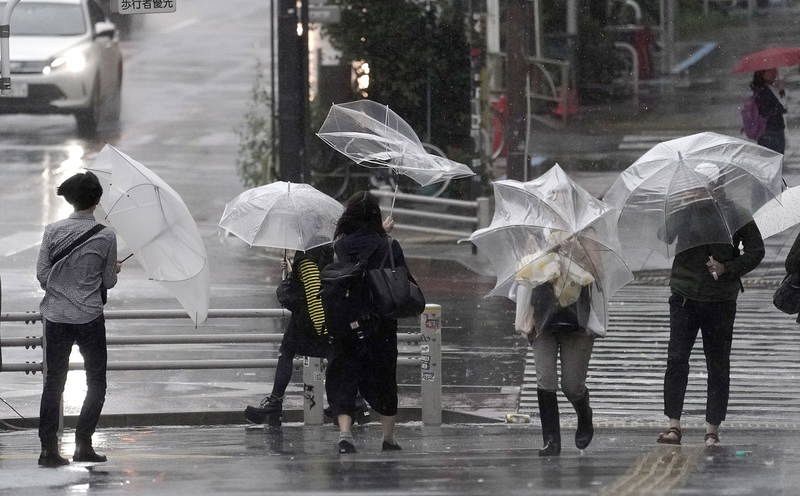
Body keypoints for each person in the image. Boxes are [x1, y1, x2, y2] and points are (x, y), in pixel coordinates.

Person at [656, 187, 764, 447]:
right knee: (677, 358)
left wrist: (728, 267)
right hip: (684, 295)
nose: (697, 191)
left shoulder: (735, 213)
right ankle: (673, 424)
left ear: (715, 186)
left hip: (720, 300)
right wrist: (680, 206)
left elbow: (755, 250)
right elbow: (665, 235)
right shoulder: (684, 210)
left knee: (717, 364)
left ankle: (712, 429)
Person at [36, 171, 120, 467]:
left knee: (53, 384)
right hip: (89, 318)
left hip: (56, 318)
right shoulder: (106, 235)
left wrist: (62, 286)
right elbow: (108, 282)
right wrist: (110, 271)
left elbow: (43, 276)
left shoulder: (52, 231)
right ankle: (83, 444)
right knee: (96, 382)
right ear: (97, 200)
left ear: (70, 199)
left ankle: (48, 450)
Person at [325, 191, 401, 454]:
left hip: (346, 319)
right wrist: (385, 236)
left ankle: (346, 433)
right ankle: (388, 437)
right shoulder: (388, 245)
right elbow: (402, 277)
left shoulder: (340, 246)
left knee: (344, 375)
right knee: (384, 377)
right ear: (377, 217)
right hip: (380, 322)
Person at [517, 248, 597, 457]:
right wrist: (544, 258)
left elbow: (598, 273)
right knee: (546, 378)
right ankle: (551, 440)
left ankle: (584, 413)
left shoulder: (586, 233)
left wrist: (574, 256)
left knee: (572, 385)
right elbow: (524, 270)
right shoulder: (537, 231)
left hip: (577, 318)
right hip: (542, 315)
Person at [243, 245, 334, 424]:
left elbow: (313, 291)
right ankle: (346, 402)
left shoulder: (308, 255)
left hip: (308, 320)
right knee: (331, 356)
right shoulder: (325, 249)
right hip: (315, 317)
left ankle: (275, 404)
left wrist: (321, 327)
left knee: (287, 354)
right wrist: (292, 270)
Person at [751, 68, 787, 154]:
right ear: (762, 74)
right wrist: (780, 92)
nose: (775, 73)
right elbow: (771, 110)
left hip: (773, 130)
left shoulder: (767, 88)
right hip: (770, 131)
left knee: (773, 159)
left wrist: (780, 91)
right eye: (771, 71)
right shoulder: (762, 91)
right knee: (773, 159)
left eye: (775, 70)